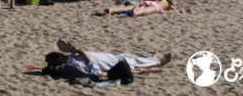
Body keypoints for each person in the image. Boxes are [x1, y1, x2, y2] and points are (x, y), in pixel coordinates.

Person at [42, 42, 172, 82]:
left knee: (132, 58)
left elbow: (81, 51)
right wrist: (87, 58)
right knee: (132, 61)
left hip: (113, 57)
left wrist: (79, 51)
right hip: (113, 63)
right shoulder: (73, 63)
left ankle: (151, 58)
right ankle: (159, 62)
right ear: (59, 58)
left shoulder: (73, 57)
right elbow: (92, 70)